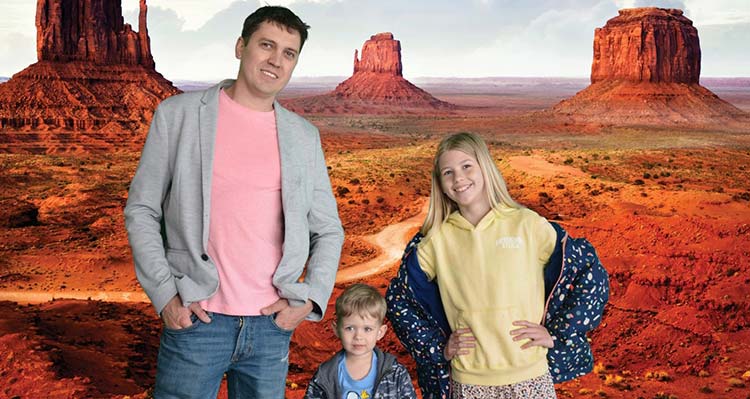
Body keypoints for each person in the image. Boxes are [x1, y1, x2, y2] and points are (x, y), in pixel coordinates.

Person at [124, 6, 344, 398]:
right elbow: (142, 209)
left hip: (270, 327)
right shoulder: (178, 116)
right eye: (266, 45)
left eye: (289, 53)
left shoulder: (303, 136)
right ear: (241, 47)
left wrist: (309, 297)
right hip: (196, 320)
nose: (276, 60)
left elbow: (327, 228)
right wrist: (165, 297)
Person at [385, 132, 609, 398]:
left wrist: (558, 333)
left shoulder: (527, 224)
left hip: (531, 376)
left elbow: (589, 271)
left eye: (467, 166)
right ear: (441, 184)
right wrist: (438, 347)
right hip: (469, 381)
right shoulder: (436, 241)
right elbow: (399, 299)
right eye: (448, 172)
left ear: (485, 168)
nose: (459, 179)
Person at [304, 284, 417, 399]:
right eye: (350, 328)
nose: (358, 336)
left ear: (380, 332)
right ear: (336, 329)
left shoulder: (395, 373)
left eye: (367, 329)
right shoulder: (325, 375)